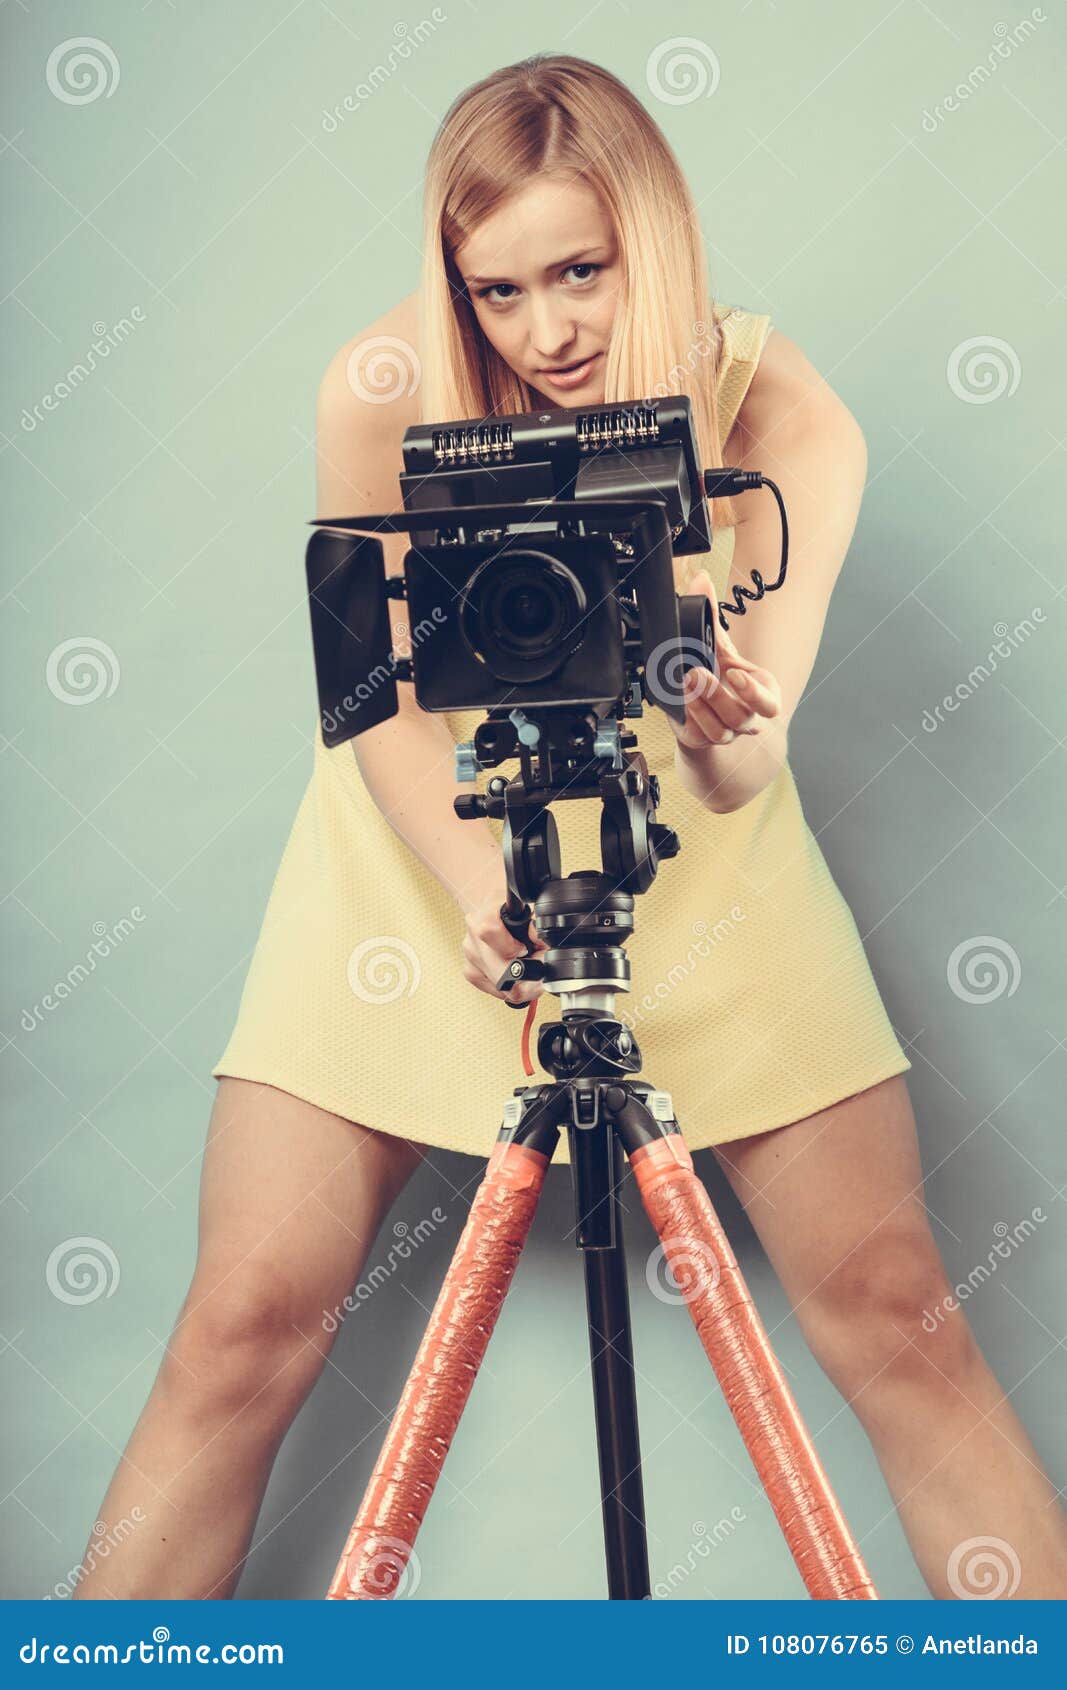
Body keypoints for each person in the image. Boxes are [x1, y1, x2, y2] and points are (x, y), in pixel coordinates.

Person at [73, 53, 1067, 1601]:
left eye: (582, 273)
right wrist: (485, 883)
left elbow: (750, 756)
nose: (544, 334)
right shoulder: (376, 392)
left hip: (703, 871)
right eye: (497, 291)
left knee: (895, 1308)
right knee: (242, 1323)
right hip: (419, 864)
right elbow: (366, 694)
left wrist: (727, 730)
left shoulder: (788, 413)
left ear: (652, 235)